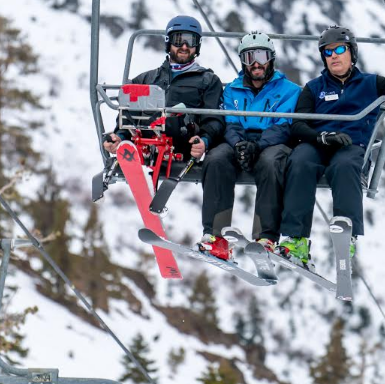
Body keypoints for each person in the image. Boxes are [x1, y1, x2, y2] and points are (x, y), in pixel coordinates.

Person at [278, 25, 385, 267]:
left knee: (346, 166)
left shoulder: (371, 84)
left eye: (339, 49)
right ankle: (296, 240)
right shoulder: (314, 88)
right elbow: (298, 125)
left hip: (351, 144)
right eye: (327, 52)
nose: (334, 56)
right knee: (299, 161)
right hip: (320, 142)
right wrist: (321, 137)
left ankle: (345, 235)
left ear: (352, 53)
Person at [198, 32, 301, 261]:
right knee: (216, 159)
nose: (256, 63)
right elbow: (229, 122)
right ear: (242, 61)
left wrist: (257, 145)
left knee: (270, 162)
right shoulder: (233, 90)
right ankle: (216, 236)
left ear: (271, 59)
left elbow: (284, 126)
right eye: (249, 57)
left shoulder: (290, 91)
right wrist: (239, 145)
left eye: (262, 56)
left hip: (273, 142)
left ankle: (266, 236)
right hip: (240, 140)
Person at [103, 15, 224, 161]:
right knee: (133, 99)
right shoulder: (145, 79)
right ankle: (138, 153)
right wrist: (120, 137)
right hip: (145, 140)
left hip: (183, 144)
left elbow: (214, 120)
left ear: (197, 45)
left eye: (190, 41)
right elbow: (128, 115)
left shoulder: (208, 80)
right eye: (178, 40)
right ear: (169, 42)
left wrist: (204, 141)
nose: (184, 46)